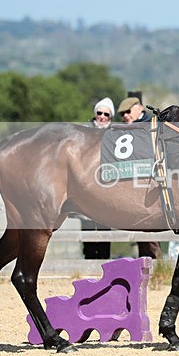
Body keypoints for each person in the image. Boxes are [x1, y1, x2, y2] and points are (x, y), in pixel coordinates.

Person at [117, 95, 162, 259]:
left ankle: (156, 265)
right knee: (143, 232)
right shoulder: (128, 129)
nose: (125, 116)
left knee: (149, 234)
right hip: (136, 186)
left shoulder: (151, 125)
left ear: (139, 108)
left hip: (151, 185)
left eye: (128, 112)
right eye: (122, 114)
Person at [81, 97, 115, 260]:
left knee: (104, 226)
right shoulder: (84, 131)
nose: (101, 117)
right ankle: (88, 262)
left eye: (106, 114)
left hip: (106, 185)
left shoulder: (115, 134)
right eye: (99, 113)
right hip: (87, 185)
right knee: (87, 226)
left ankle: (104, 262)